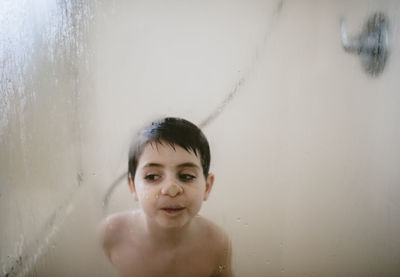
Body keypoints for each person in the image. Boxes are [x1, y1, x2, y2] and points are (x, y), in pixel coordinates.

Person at [98, 117, 233, 277]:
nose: (171, 189)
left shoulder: (216, 242)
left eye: (186, 176)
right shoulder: (111, 232)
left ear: (207, 187)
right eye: (152, 177)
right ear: (132, 186)